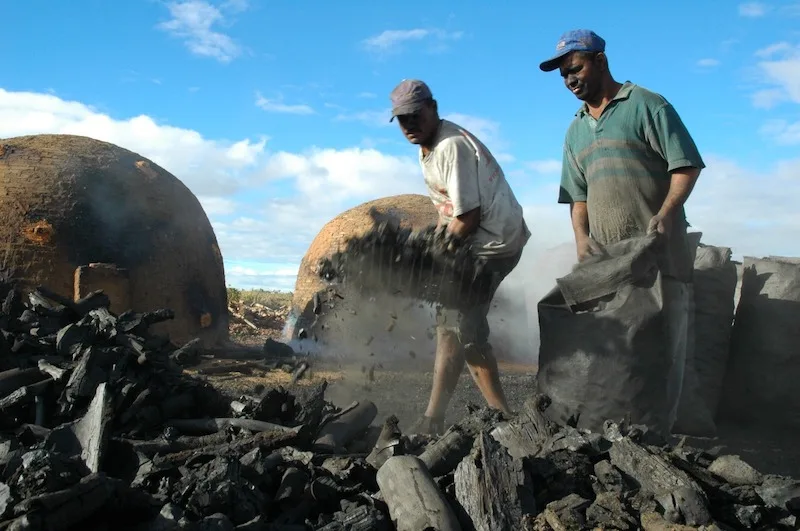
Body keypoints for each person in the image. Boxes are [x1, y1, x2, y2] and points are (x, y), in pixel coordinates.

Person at [539, 29, 705, 430]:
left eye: (574, 69)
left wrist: (667, 211)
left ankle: (667, 437)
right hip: (610, 265)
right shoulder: (576, 129)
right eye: (563, 75)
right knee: (619, 353)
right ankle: (616, 433)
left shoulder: (647, 105)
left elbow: (686, 166)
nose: (569, 80)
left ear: (600, 60)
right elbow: (577, 197)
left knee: (666, 348)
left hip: (659, 255)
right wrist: (581, 238)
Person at [388, 78, 531, 434]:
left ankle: (503, 419)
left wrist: (429, 257)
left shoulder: (450, 146)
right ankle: (433, 417)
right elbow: (449, 209)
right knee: (450, 327)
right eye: (402, 120)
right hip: (478, 240)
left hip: (493, 244)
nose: (409, 125)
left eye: (415, 116)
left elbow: (468, 218)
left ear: (433, 108)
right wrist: (433, 241)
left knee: (462, 329)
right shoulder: (427, 148)